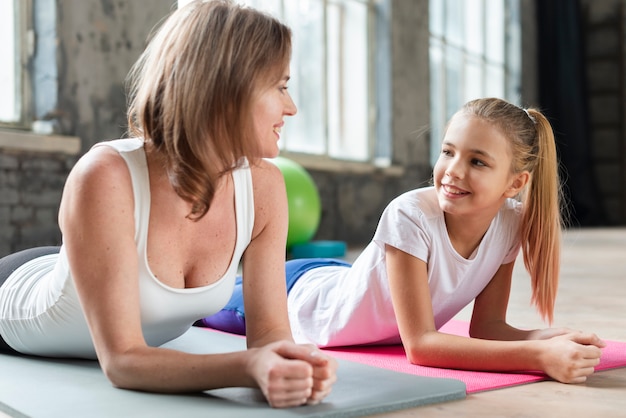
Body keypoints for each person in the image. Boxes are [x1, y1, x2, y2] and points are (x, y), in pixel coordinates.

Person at [0, 0, 336, 408]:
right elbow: (123, 361)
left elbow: (268, 336)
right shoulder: (104, 175)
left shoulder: (265, 188)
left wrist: (291, 366)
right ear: (227, 88)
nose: (291, 107)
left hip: (91, 267)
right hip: (16, 294)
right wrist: (248, 366)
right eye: (280, 86)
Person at [203, 97, 605, 384]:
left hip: (344, 279)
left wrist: (547, 337)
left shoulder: (511, 226)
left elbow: (488, 328)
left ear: (515, 184)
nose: (453, 171)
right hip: (301, 300)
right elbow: (422, 346)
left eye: (477, 161)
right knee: (199, 303)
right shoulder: (410, 215)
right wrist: (538, 357)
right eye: (448, 152)